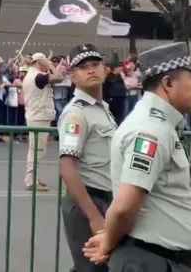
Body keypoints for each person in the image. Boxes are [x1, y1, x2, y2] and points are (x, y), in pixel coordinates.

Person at [83, 42, 191, 272]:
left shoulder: (158, 124)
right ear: (168, 84)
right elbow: (124, 206)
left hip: (156, 259)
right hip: (150, 262)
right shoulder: (151, 130)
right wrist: (108, 244)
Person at [59, 44, 116, 272]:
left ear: (104, 69)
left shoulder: (102, 109)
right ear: (72, 76)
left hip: (106, 200)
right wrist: (93, 216)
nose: (91, 70)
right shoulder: (76, 113)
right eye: (83, 67)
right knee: (90, 268)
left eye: (95, 64)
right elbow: (67, 168)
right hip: (87, 202)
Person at [22, 52, 63, 191]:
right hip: (39, 115)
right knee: (37, 150)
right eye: (45, 62)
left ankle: (32, 177)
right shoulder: (38, 76)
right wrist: (51, 66)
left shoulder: (31, 75)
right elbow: (59, 77)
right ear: (40, 62)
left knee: (34, 149)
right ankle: (31, 180)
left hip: (35, 114)